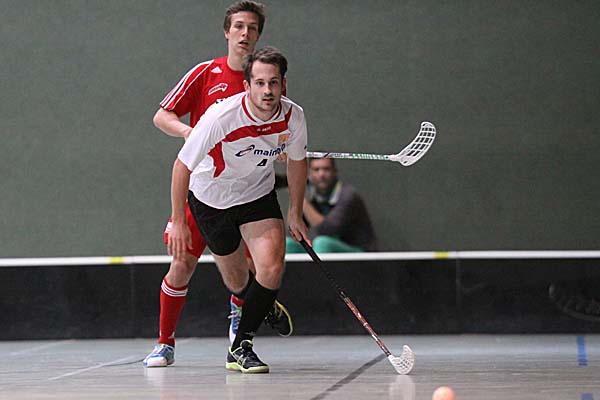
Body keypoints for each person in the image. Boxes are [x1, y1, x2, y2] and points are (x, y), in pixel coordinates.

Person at [143, 2, 292, 369]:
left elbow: (276, 128)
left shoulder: (265, 79)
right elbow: (162, 115)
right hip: (205, 190)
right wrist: (190, 133)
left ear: (259, 35)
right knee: (182, 263)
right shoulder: (205, 73)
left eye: (252, 28)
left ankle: (242, 327)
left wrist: (278, 148)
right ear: (227, 31)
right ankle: (165, 343)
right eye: (238, 26)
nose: (245, 34)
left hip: (248, 191)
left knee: (252, 266)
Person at [169, 46, 309, 373]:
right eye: (259, 83)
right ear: (247, 86)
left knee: (271, 266)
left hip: (256, 195)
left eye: (273, 82)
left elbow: (298, 162)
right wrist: (179, 221)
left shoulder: (294, 116)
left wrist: (295, 211)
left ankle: (241, 346)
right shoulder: (221, 117)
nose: (267, 91)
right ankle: (263, 304)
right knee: (236, 281)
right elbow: (181, 167)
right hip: (211, 199)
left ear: (283, 84)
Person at [286, 158, 377, 253]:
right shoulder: (312, 195)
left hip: (358, 253)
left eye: (326, 169)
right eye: (316, 170)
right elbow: (293, 230)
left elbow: (327, 230)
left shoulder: (348, 195)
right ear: (309, 174)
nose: (321, 174)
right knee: (288, 244)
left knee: (322, 243)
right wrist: (294, 197)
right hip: (327, 250)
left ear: (335, 172)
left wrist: (302, 200)